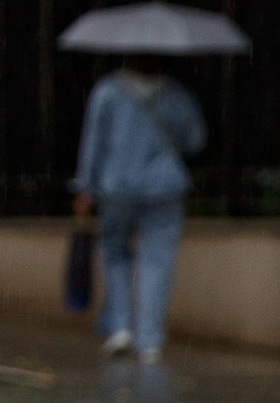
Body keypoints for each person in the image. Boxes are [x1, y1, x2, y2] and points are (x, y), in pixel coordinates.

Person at [72, 62, 205, 363]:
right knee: (157, 260)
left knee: (115, 253)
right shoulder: (176, 94)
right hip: (165, 187)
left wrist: (85, 186)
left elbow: (94, 142)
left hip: (117, 187)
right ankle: (150, 340)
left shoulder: (107, 91)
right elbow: (195, 140)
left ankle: (120, 328)